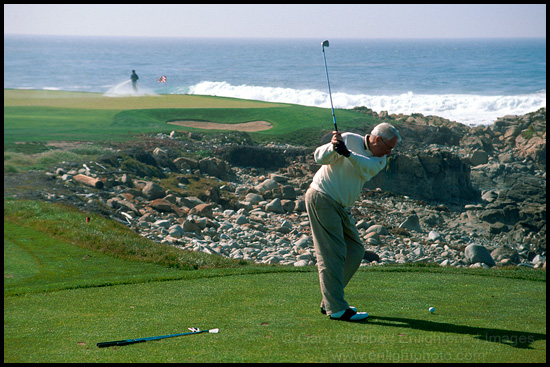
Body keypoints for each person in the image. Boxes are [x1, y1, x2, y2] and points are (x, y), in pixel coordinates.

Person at [305, 122, 402, 322]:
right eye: (388, 147)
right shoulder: (348, 139)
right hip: (322, 197)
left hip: (341, 206)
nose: (389, 152)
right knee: (333, 253)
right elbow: (318, 157)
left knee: (355, 250)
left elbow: (364, 168)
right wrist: (332, 146)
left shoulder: (379, 160)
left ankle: (329, 301)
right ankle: (337, 308)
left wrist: (347, 154)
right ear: (377, 140)